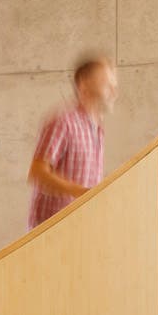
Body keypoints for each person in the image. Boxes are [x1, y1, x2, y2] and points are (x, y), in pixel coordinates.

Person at [27, 53, 116, 228]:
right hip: (52, 232)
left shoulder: (98, 128)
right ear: (84, 86)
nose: (114, 92)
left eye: (114, 85)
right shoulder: (63, 121)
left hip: (81, 229)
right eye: (107, 85)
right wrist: (79, 191)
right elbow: (37, 173)